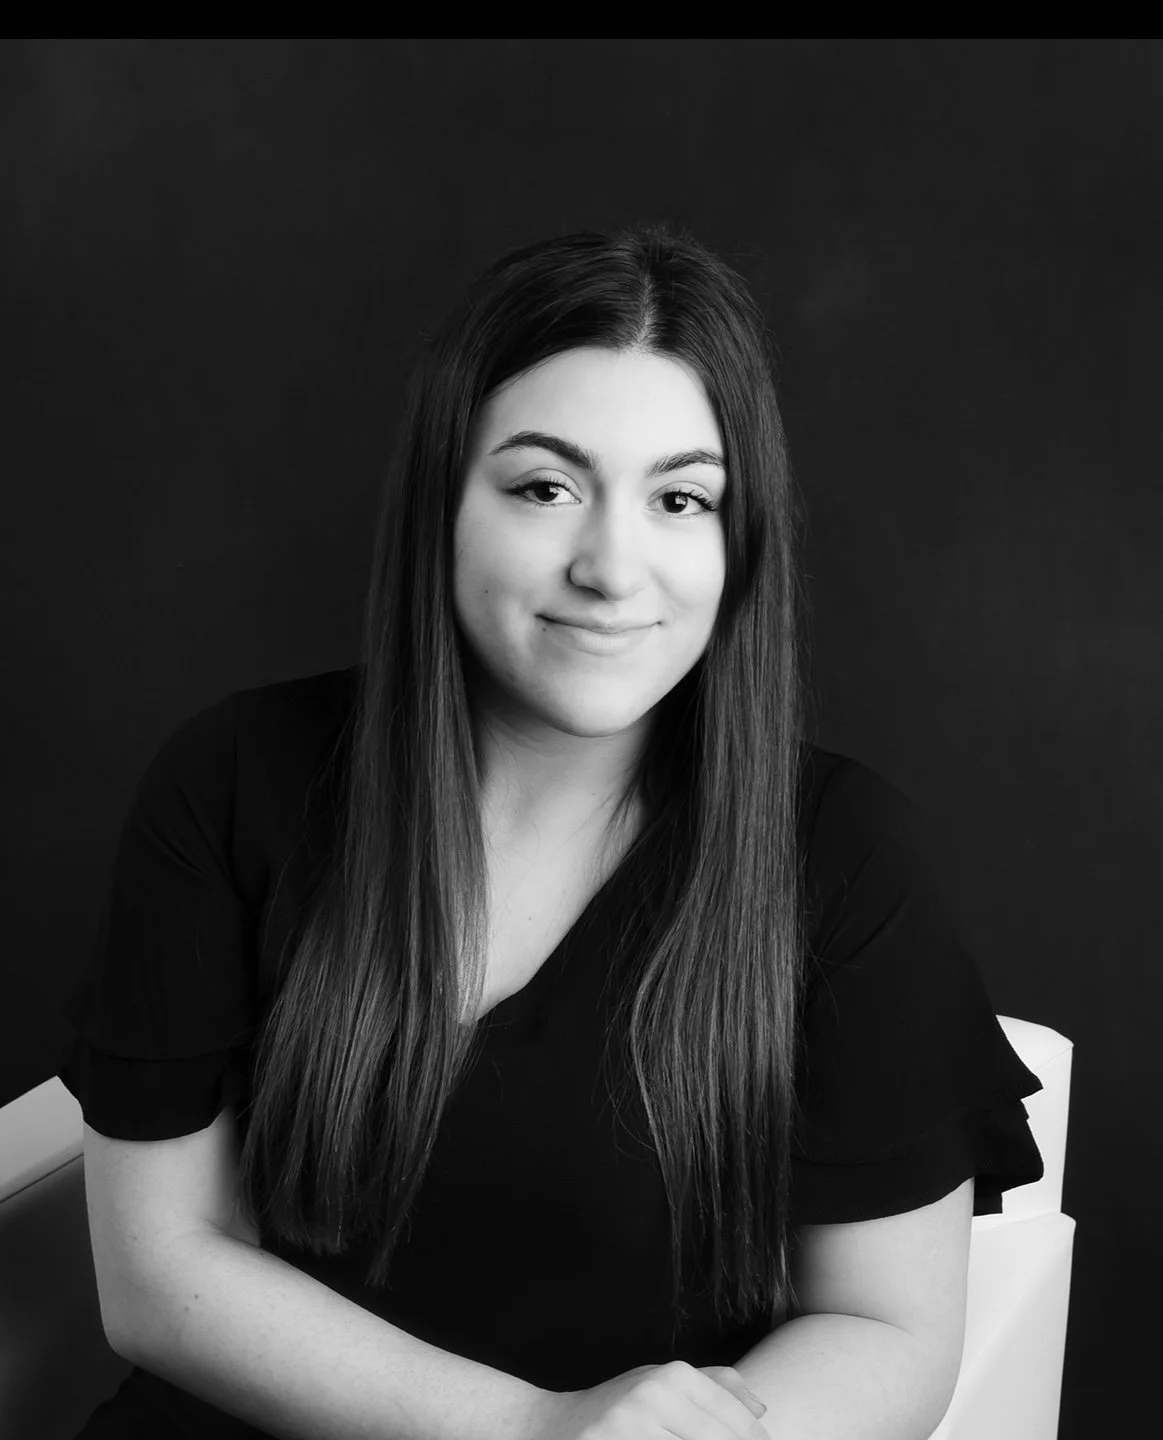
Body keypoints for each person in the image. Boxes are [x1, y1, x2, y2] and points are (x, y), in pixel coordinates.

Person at [58, 224, 1044, 1440]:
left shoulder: (843, 860)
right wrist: (529, 1429)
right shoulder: (231, 783)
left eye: (680, 498)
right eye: (543, 487)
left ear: (739, 546)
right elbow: (157, 1277)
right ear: (442, 505)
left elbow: (886, 1330)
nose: (611, 567)